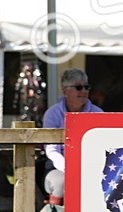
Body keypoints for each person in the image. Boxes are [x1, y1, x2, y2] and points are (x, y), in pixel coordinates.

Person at [42, 67, 104, 198]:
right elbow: (52, 151)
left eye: (86, 87)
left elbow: (103, 146)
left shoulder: (98, 113)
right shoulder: (52, 114)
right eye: (78, 87)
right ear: (65, 90)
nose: (84, 91)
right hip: (57, 168)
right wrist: (70, 169)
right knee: (62, 183)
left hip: (91, 166)